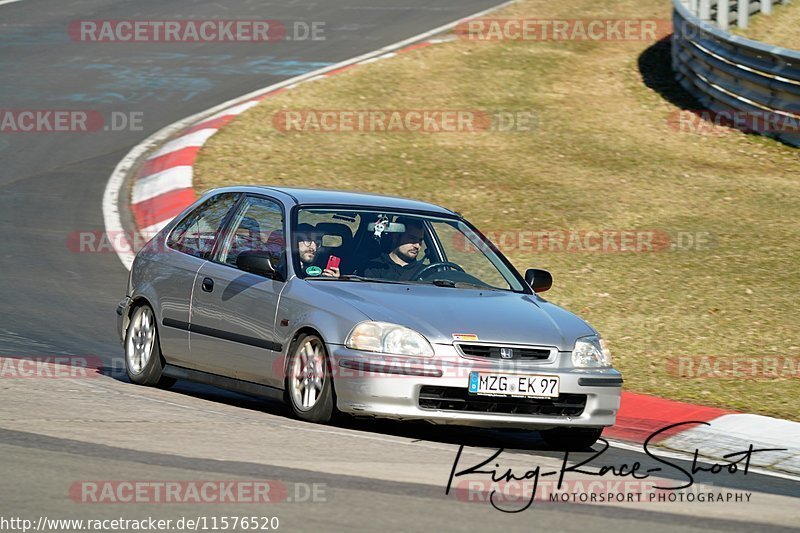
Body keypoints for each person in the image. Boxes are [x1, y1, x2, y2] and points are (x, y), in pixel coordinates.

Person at [361, 217, 426, 280]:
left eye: (420, 240)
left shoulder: (426, 273)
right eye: (412, 239)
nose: (417, 246)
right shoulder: (374, 268)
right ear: (396, 237)